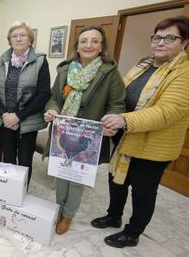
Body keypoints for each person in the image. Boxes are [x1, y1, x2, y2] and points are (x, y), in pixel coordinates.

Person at [91, 16, 189, 248]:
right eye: (157, 37)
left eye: (170, 37)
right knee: (116, 181)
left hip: (153, 146)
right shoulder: (144, 64)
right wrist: (112, 117)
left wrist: (122, 120)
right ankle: (114, 216)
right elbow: (122, 94)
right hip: (126, 137)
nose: (161, 42)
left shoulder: (188, 74)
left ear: (184, 42)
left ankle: (132, 233)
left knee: (143, 191)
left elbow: (167, 112)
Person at [43, 25, 126, 235]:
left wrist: (111, 121)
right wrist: (52, 109)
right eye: (84, 41)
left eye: (94, 41)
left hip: (87, 136)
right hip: (63, 133)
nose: (88, 45)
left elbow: (117, 104)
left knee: (77, 178)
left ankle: (68, 214)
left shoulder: (109, 73)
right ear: (77, 46)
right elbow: (54, 97)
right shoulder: (64, 70)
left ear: (101, 47)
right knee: (61, 173)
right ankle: (59, 208)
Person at [0, 21, 51, 186]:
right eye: (14, 36)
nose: (18, 39)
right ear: (10, 40)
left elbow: (44, 94)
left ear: (30, 39)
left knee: (24, 161)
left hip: (27, 121)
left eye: (23, 35)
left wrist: (18, 116)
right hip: (5, 120)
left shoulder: (40, 61)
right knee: (8, 159)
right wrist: (6, 116)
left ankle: (22, 194)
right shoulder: (2, 61)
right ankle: (9, 192)